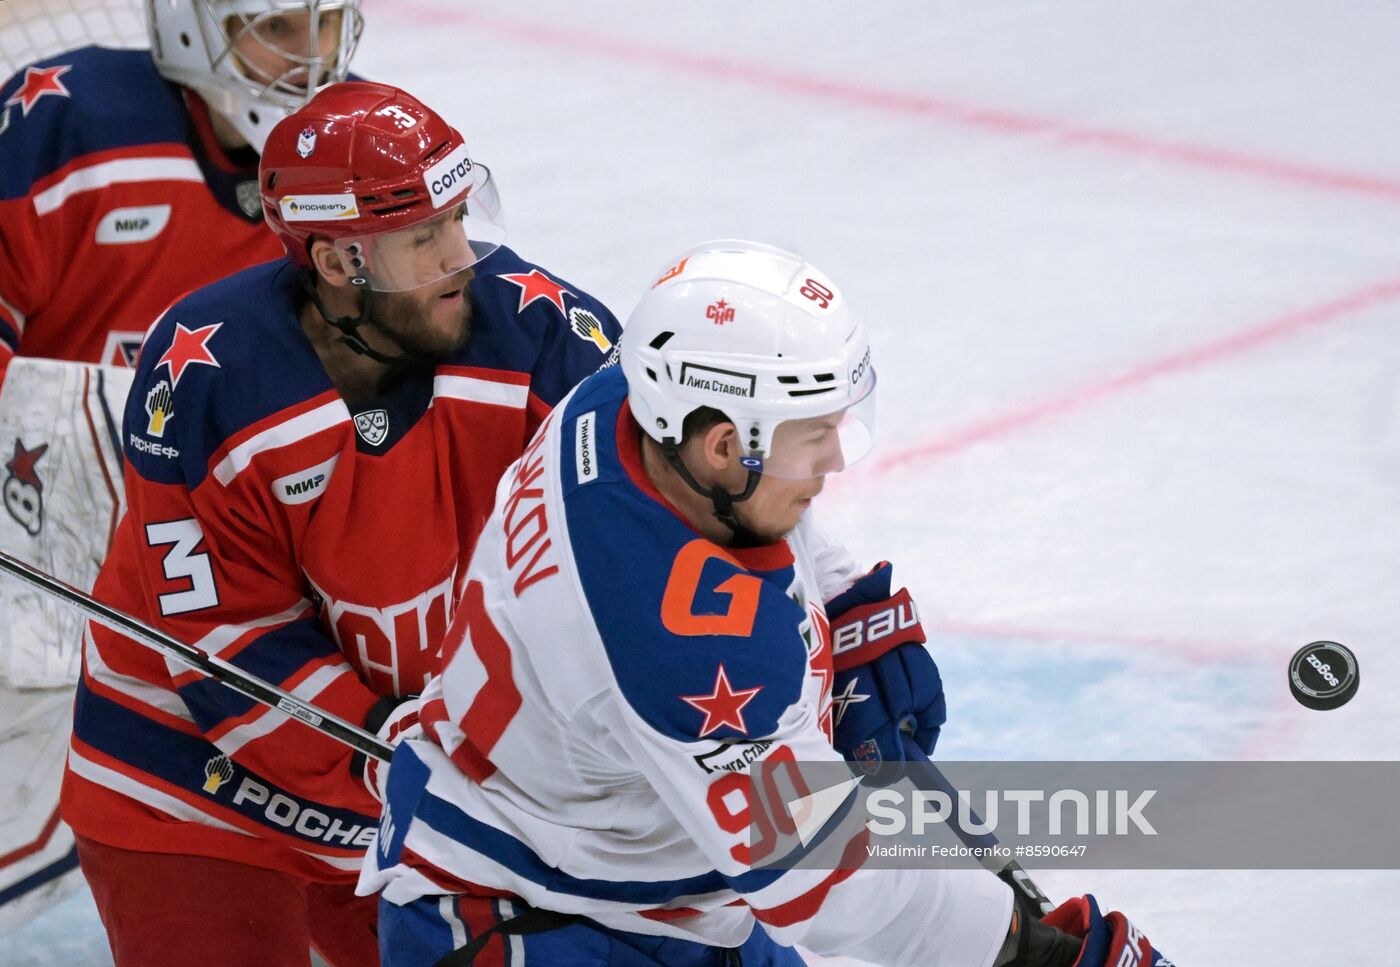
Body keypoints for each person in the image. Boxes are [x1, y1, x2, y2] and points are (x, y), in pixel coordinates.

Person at [359, 240, 1172, 966]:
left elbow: (758, 512)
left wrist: (846, 603)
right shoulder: (686, 644)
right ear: (722, 443)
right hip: (534, 919)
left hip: (650, 881)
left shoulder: (621, 404)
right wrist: (1039, 946)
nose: (832, 463)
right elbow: (829, 884)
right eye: (811, 435)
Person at [58, 80, 623, 967]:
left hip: (418, 782)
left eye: (458, 218)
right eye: (423, 238)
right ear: (336, 262)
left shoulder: (547, 341)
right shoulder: (210, 379)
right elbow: (228, 644)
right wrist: (410, 748)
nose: (461, 257)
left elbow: (665, 534)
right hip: (190, 789)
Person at [0, 0, 366, 929]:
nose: (313, 60)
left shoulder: (360, 147)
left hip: (223, 568)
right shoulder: (68, 121)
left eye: (330, 26)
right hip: (35, 533)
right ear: (197, 27)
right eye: (281, 28)